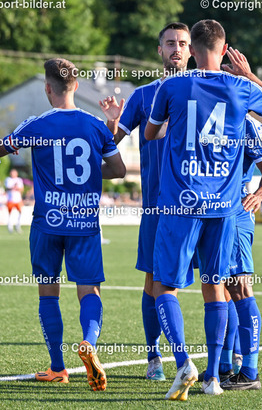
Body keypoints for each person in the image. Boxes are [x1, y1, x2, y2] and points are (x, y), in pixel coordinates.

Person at [144, 19, 262, 399]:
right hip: (223, 207)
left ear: (191, 51)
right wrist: (249, 75)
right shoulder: (242, 88)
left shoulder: (172, 85)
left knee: (164, 286)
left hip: (181, 203)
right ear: (224, 51)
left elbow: (150, 133)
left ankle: (183, 362)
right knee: (215, 287)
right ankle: (213, 377)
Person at [0, 58, 126, 391]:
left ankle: (57, 367)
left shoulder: (35, 125)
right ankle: (89, 343)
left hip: (47, 223)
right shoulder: (96, 125)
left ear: (47, 88)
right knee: (88, 290)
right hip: (84, 223)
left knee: (48, 293)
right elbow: (118, 170)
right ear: (77, 86)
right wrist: (106, 140)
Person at [99, 22, 191, 382]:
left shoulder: (205, 90)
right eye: (170, 43)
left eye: (182, 43)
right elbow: (111, 146)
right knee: (154, 281)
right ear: (159, 50)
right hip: (157, 206)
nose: (176, 49)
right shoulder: (143, 96)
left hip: (203, 205)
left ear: (192, 50)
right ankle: (154, 355)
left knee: (218, 281)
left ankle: (224, 363)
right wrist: (111, 124)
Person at [216, 116, 262, 391]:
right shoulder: (214, 112)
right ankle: (224, 365)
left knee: (240, 287)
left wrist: (259, 195)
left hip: (237, 214)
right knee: (222, 287)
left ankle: (250, 371)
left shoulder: (249, 124)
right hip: (213, 212)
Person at [5, 169, 24, 233]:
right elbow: (7, 188)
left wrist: (17, 188)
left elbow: (21, 189)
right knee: (10, 213)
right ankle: (10, 226)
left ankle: (18, 225)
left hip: (18, 199)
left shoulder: (19, 180)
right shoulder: (8, 179)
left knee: (20, 212)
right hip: (10, 199)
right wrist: (13, 187)